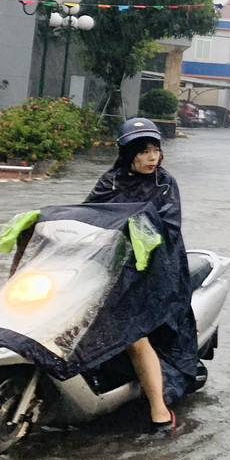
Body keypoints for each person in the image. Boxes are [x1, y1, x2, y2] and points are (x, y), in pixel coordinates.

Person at [84, 118, 199, 437]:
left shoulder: (165, 184)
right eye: (144, 151)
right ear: (127, 152)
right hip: (115, 266)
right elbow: (88, 215)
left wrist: (135, 232)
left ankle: (160, 411)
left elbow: (168, 227)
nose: (152, 157)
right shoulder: (110, 182)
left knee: (133, 335)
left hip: (159, 271)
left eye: (155, 150)